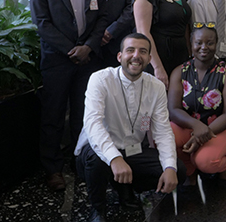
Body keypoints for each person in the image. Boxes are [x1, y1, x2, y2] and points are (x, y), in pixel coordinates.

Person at [30, 0, 109, 191]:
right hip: (57, 60)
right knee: (53, 117)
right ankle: (53, 170)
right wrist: (71, 49)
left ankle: (80, 162)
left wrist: (87, 47)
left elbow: (102, 20)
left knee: (83, 115)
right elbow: (42, 24)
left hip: (88, 60)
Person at [75, 33, 184, 222]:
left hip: (133, 150)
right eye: (130, 50)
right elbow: (93, 125)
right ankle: (98, 208)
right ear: (120, 56)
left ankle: (125, 187)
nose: (136, 56)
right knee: (97, 159)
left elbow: (163, 131)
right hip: (96, 151)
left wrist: (169, 167)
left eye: (143, 51)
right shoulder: (100, 79)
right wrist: (115, 158)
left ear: (149, 59)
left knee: (178, 170)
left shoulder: (156, 86)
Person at [168, 25, 226, 182]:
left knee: (206, 161)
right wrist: (196, 126)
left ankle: (223, 166)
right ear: (191, 44)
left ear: (216, 44)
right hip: (190, 125)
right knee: (165, 137)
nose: (204, 47)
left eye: (209, 43)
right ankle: (190, 170)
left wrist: (200, 135)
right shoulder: (180, 71)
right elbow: (173, 109)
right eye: (198, 43)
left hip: (222, 127)